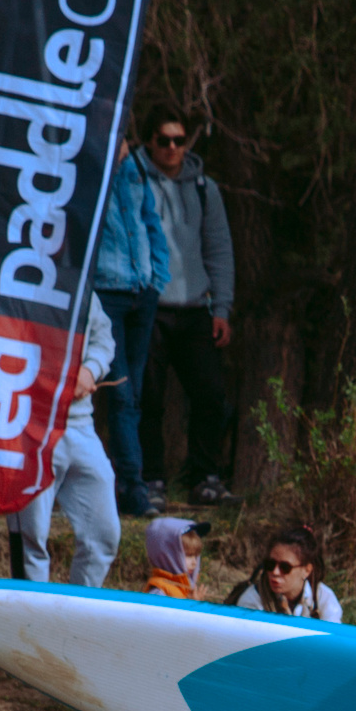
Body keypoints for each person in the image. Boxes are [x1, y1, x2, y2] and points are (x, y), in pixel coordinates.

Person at [132, 107, 236, 508]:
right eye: (164, 140)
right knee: (149, 398)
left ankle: (206, 477)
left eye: (179, 140)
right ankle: (151, 479)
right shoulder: (134, 182)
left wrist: (222, 308)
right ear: (149, 143)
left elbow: (219, 249)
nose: (173, 148)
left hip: (196, 308)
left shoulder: (204, 188)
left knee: (211, 394)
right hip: (150, 307)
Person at [6, 304, 120, 587]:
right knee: (31, 537)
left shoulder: (80, 280)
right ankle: (31, 618)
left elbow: (103, 335)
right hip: (29, 424)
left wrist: (91, 370)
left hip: (81, 424)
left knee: (104, 533)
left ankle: (81, 612)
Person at [91, 133, 169, 518]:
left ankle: (124, 482)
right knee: (120, 394)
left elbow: (150, 220)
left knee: (134, 394)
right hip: (107, 291)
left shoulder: (137, 166)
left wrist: (159, 277)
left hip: (143, 292)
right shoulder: (90, 163)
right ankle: (134, 490)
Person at [137, 517, 210, 711]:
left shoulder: (182, 590)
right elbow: (159, 627)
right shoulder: (160, 589)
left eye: (195, 557)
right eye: (186, 556)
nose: (192, 563)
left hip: (178, 665)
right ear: (168, 554)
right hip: (161, 668)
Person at [234, 522, 343, 621]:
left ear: (306, 570)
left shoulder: (323, 598)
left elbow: (334, 639)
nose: (275, 572)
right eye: (270, 565)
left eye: (285, 567)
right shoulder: (252, 601)